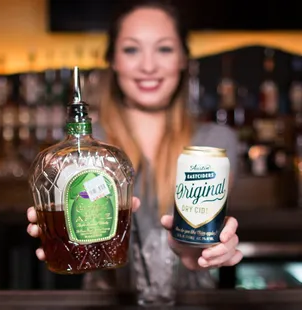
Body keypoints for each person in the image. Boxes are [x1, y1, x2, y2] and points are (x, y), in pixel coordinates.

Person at [27, 0, 242, 291]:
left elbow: (199, 236)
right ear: (113, 60)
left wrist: (201, 250)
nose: (148, 65)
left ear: (183, 59)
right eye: (131, 49)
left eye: (164, 48)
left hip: (191, 301)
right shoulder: (80, 153)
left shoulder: (214, 144)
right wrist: (64, 238)